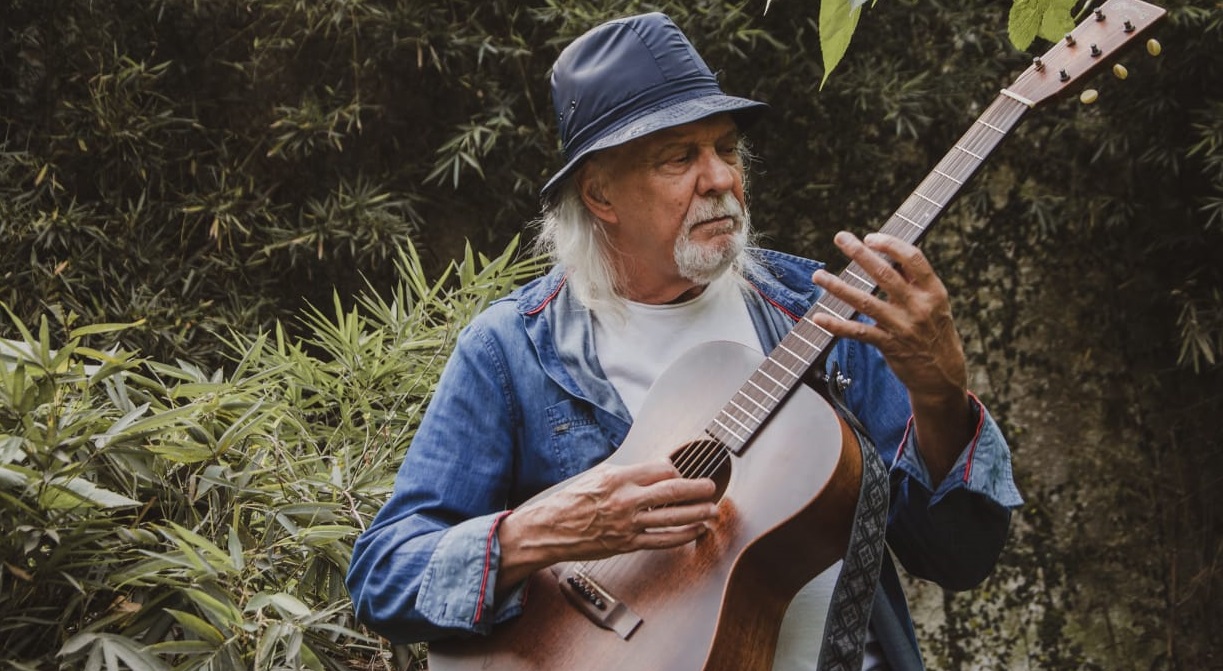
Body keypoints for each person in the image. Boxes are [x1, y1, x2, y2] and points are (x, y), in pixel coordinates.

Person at [346, 12, 1023, 670]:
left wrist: (939, 396)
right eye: (679, 156)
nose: (722, 178)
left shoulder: (821, 316)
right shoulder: (512, 349)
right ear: (601, 194)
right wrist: (537, 532)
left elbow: (957, 556)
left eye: (725, 148)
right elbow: (382, 576)